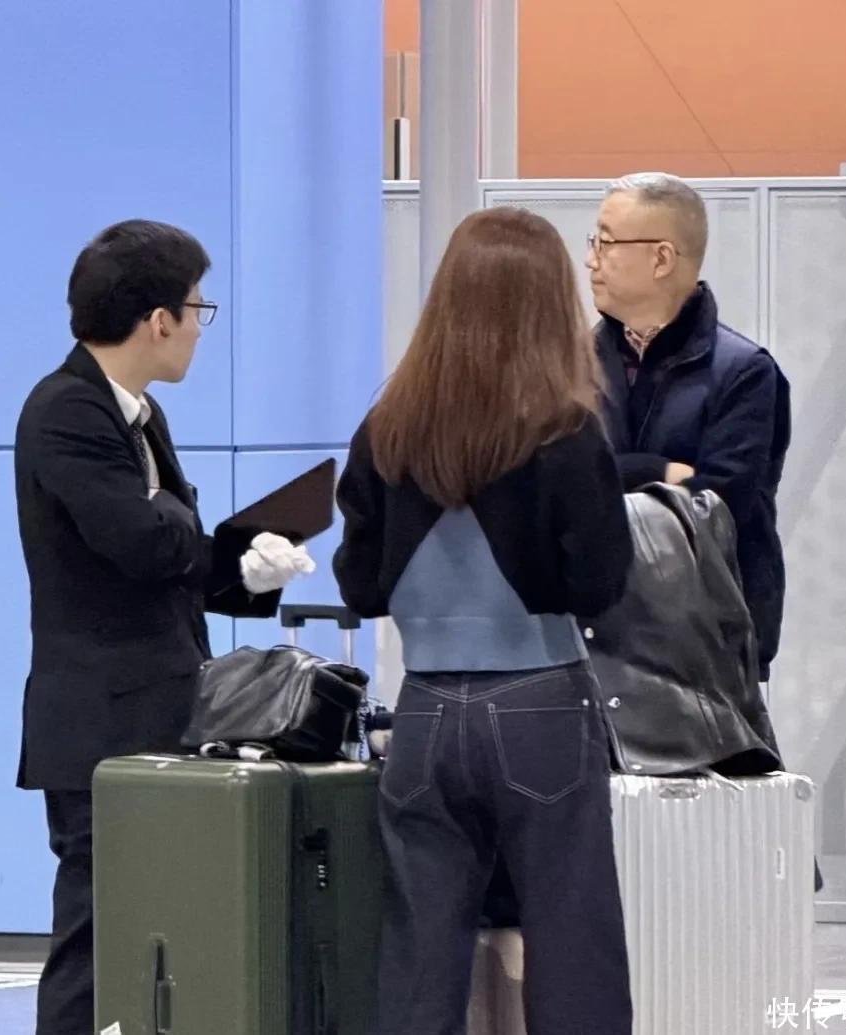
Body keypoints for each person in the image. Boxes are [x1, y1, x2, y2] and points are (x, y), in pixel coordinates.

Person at [333, 206, 635, 1034]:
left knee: (419, 956)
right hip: (541, 702)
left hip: (424, 711)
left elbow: (359, 583)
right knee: (573, 947)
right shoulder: (566, 430)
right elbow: (601, 583)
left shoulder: (386, 431)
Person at [15, 219, 314, 1035]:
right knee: (95, 935)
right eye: (196, 309)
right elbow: (141, 540)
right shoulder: (67, 409)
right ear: (158, 319)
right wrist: (208, 537)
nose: (198, 327)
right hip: (102, 723)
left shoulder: (140, 414)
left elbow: (167, 548)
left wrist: (244, 567)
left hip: (160, 708)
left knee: (158, 931)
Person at [587, 172, 791, 681]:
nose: (591, 260)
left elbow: (719, 508)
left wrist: (607, 477)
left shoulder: (744, 372)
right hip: (592, 637)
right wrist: (659, 470)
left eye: (606, 243)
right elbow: (549, 488)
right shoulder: (569, 364)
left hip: (704, 649)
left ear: (661, 258)